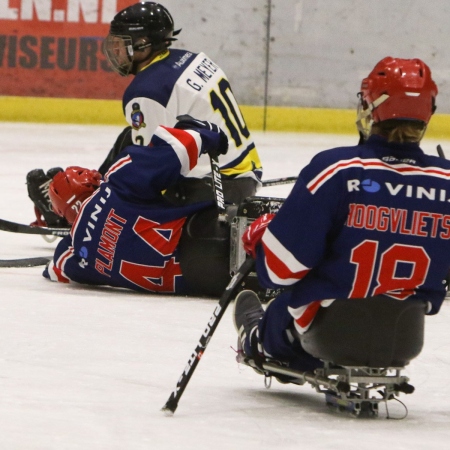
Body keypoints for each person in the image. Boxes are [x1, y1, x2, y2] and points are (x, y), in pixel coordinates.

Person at [233, 56, 450, 371]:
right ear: (428, 112)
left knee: (284, 308)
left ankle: (259, 341)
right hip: (406, 338)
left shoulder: (335, 169)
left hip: (329, 332)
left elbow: (280, 271)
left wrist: (265, 240)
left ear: (370, 106)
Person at [26, 2, 262, 228]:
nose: (115, 52)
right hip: (244, 175)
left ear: (142, 44)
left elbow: (147, 173)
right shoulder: (191, 58)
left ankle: (79, 211)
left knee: (131, 177)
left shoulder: (145, 91)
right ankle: (90, 196)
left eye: (121, 44)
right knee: (129, 138)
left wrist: (107, 204)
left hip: (213, 192)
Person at [43, 117, 232, 297]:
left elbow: (53, 270)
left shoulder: (76, 258)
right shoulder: (117, 183)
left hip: (211, 282)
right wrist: (207, 133)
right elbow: (178, 148)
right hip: (214, 235)